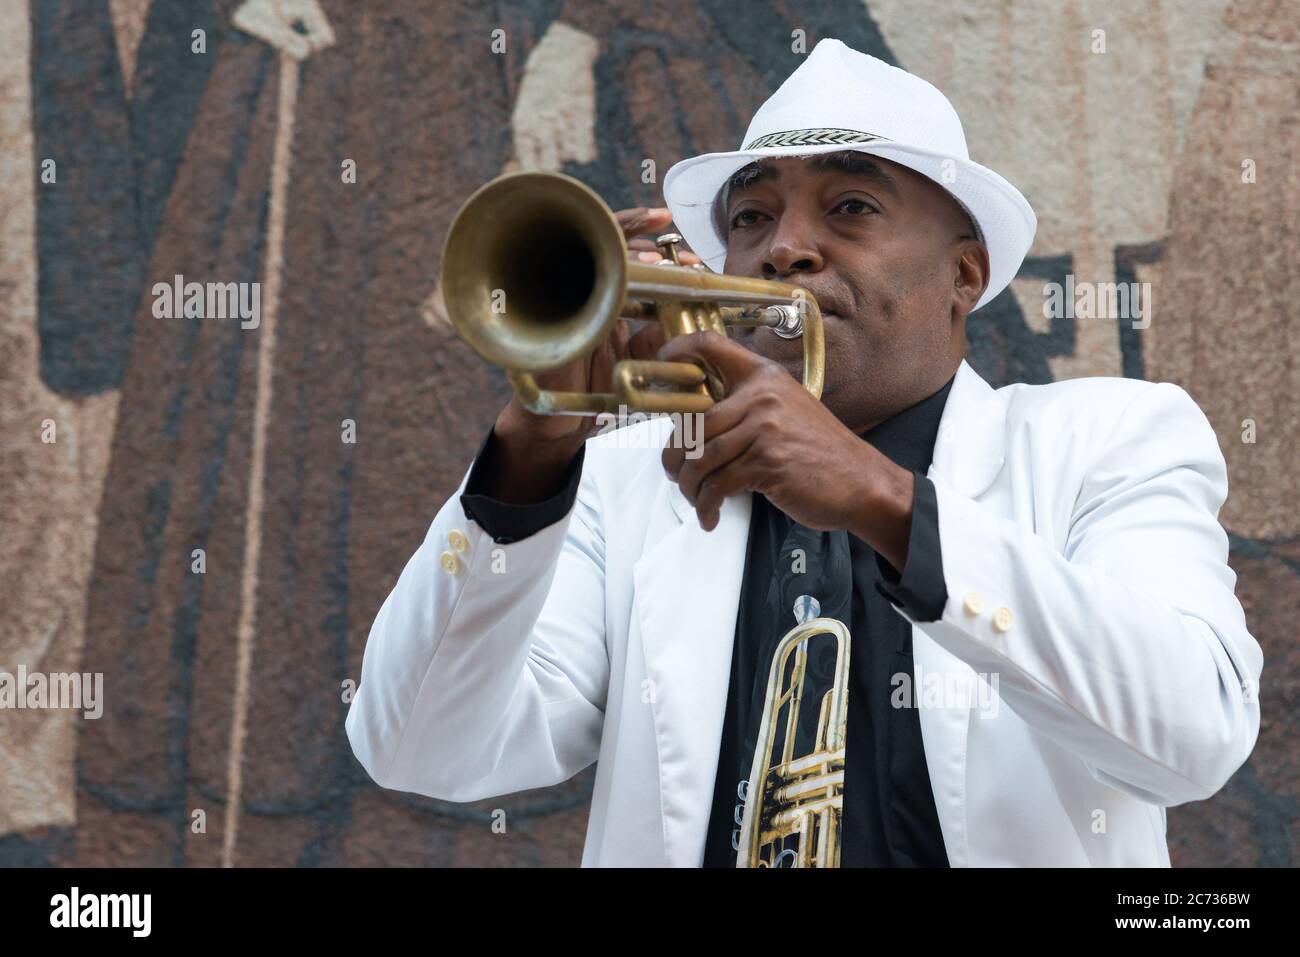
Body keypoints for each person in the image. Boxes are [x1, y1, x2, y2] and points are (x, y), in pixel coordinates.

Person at [345, 38, 1261, 866]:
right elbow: (416, 743)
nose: (784, 247)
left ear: (964, 274)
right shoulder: (626, 482)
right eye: (750, 219)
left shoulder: (1108, 439)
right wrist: (529, 455)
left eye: (851, 205)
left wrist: (883, 501)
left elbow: (1194, 732)